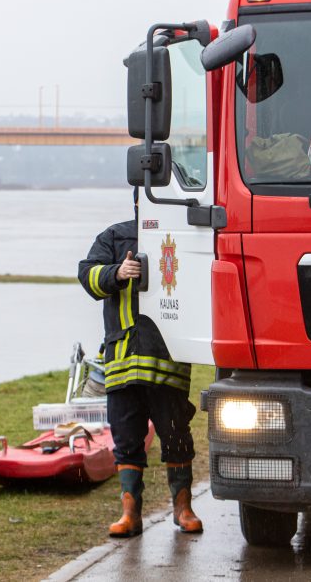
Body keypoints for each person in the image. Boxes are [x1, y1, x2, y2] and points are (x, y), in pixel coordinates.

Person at [77, 197, 202, 538]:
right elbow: (87, 276)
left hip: (168, 357)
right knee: (126, 438)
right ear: (136, 201)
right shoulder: (114, 237)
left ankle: (183, 509)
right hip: (122, 358)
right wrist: (116, 272)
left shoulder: (182, 236)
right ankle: (130, 513)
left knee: (176, 434)